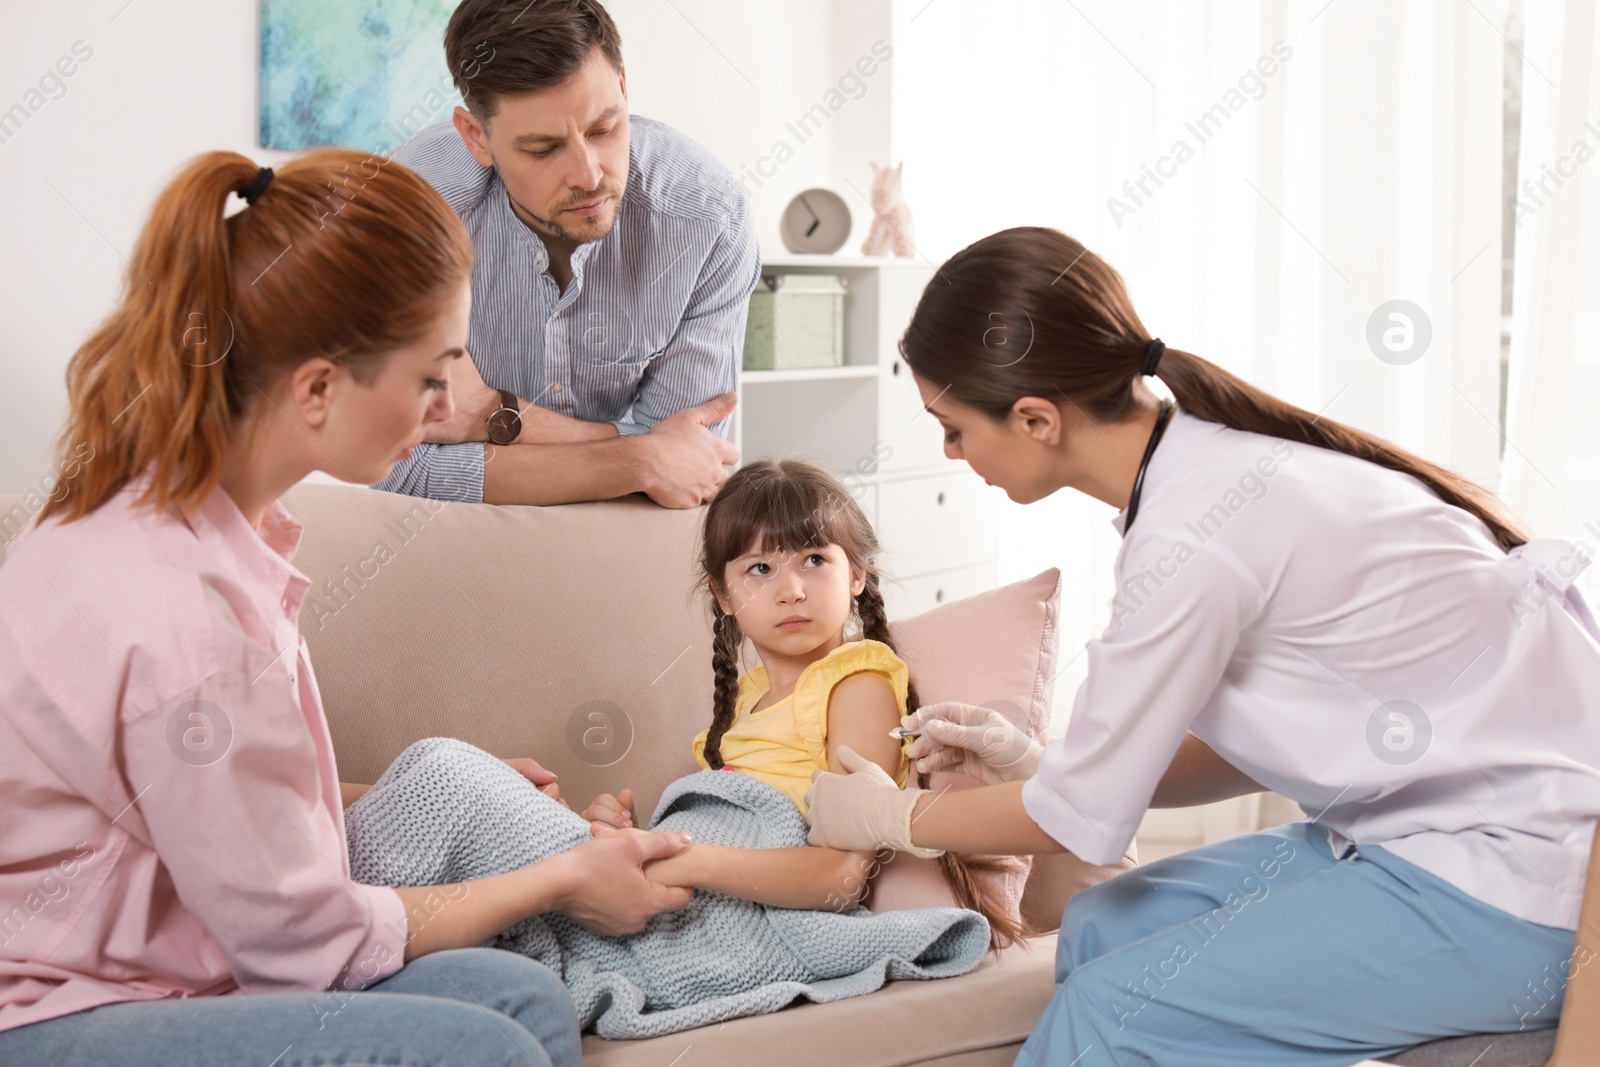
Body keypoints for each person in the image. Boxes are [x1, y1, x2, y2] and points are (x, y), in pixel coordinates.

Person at [801, 225, 1600, 1065]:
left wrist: (897, 816)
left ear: (1035, 418)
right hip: (1425, 836)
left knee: (1113, 1015)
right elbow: (1248, 747)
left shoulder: (1194, 535)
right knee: (1106, 922)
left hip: (1516, 884)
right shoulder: (1206, 475)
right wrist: (1049, 763)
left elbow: (1082, 820)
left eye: (954, 427)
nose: (949, 452)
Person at [0, 149, 697, 1067]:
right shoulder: (187, 615)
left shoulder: (198, 533)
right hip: (56, 1015)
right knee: (480, 1049)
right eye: (431, 373)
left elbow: (205, 807)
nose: (448, 406)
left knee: (521, 996)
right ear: (320, 387)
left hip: (157, 964)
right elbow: (301, 942)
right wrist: (557, 878)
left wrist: (435, 790)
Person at [583, 458, 1027, 945]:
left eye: (814, 560)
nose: (791, 591)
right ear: (724, 594)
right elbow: (731, 832)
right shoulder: (745, 698)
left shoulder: (855, 683)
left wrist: (684, 859)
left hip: (766, 921)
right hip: (712, 896)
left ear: (856, 575)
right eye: (760, 569)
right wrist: (643, 838)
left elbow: (840, 877)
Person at [375, 0, 757, 509]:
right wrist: (640, 458)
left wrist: (489, 413)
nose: (590, 174)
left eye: (603, 129)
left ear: (623, 85)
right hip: (446, 537)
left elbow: (687, 471)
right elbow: (394, 469)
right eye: (543, 148)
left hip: (628, 534)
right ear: (476, 137)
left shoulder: (710, 219)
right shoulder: (409, 204)